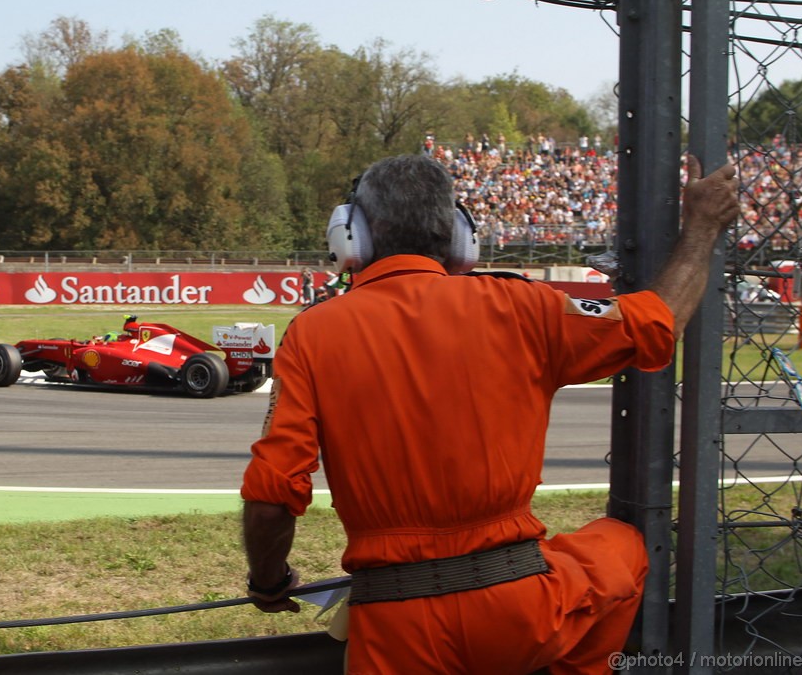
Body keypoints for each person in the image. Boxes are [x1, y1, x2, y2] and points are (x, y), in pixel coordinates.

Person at [240, 152, 739, 674]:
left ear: (352, 236)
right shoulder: (526, 306)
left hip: (393, 625)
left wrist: (268, 581)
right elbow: (658, 321)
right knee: (622, 546)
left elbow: (273, 495)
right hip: (522, 610)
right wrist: (701, 227)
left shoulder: (313, 333)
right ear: (459, 236)